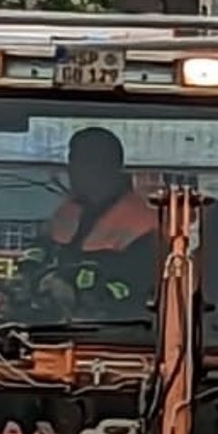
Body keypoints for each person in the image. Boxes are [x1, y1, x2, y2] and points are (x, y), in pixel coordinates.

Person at [34, 127, 162, 309]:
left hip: (118, 332)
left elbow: (136, 291)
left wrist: (75, 294)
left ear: (109, 166)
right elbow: (37, 256)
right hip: (49, 326)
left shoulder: (145, 223)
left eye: (83, 161)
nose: (72, 169)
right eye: (72, 160)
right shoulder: (66, 212)